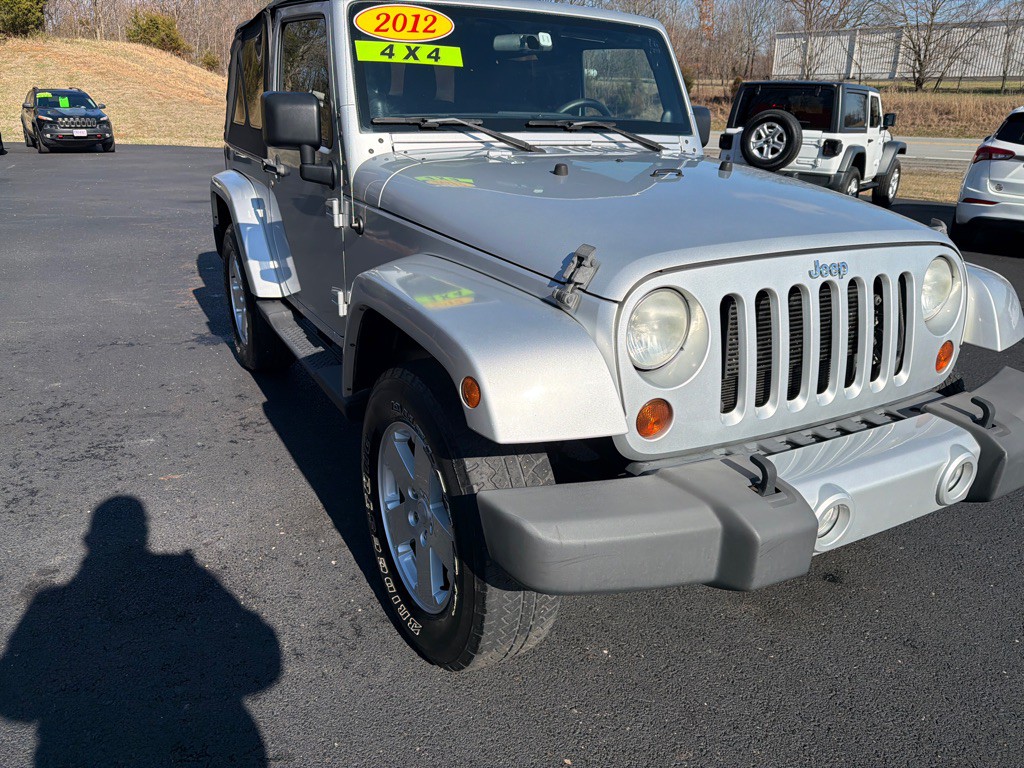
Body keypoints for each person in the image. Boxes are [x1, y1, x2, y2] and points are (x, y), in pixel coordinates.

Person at [0, 497, 282, 766]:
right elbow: (262, 659)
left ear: (88, 542)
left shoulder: (50, 604)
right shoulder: (183, 574)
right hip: (202, 736)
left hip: (84, 747)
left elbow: (14, 701)